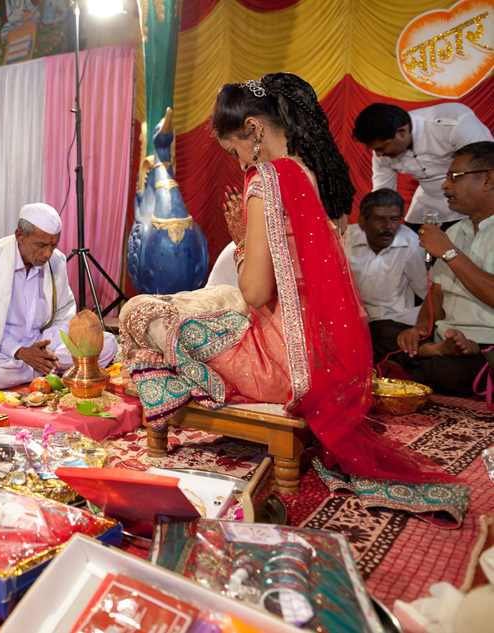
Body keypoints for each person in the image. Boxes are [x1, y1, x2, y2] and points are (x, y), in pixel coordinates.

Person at [119, 73, 454, 484]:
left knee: (139, 310)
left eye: (235, 149)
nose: (240, 162)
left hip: (281, 370)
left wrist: (241, 242)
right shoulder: (308, 172)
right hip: (323, 358)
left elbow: (256, 293)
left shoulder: (264, 180)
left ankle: (173, 397)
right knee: (207, 310)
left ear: (254, 130)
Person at [0, 203, 118, 390]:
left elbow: (63, 313)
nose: (47, 253)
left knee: (107, 343)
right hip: (2, 350)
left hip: (45, 343)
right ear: (20, 235)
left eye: (53, 245)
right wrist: (20, 351)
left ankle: (42, 367)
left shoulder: (56, 260)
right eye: (41, 245)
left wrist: (44, 349)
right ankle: (51, 370)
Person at [396, 142, 494, 397]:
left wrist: (449, 253)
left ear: (488, 179)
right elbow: (437, 294)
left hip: (487, 343)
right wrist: (420, 330)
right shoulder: (453, 231)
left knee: (446, 373)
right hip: (446, 340)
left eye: (455, 177)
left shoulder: (447, 242)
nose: (445, 186)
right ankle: (433, 353)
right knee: (382, 336)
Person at [352, 102, 492, 227]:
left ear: (401, 133)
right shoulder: (383, 152)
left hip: (473, 200)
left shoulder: (452, 123)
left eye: (381, 148)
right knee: (412, 244)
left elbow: (486, 166)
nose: (379, 155)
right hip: (429, 204)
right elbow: (383, 193)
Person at [344, 189, 428, 364]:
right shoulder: (346, 239)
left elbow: (429, 294)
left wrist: (417, 328)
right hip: (353, 320)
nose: (388, 227)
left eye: (394, 219)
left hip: (392, 322)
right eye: (380, 219)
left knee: (389, 337)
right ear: (362, 221)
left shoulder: (411, 243)